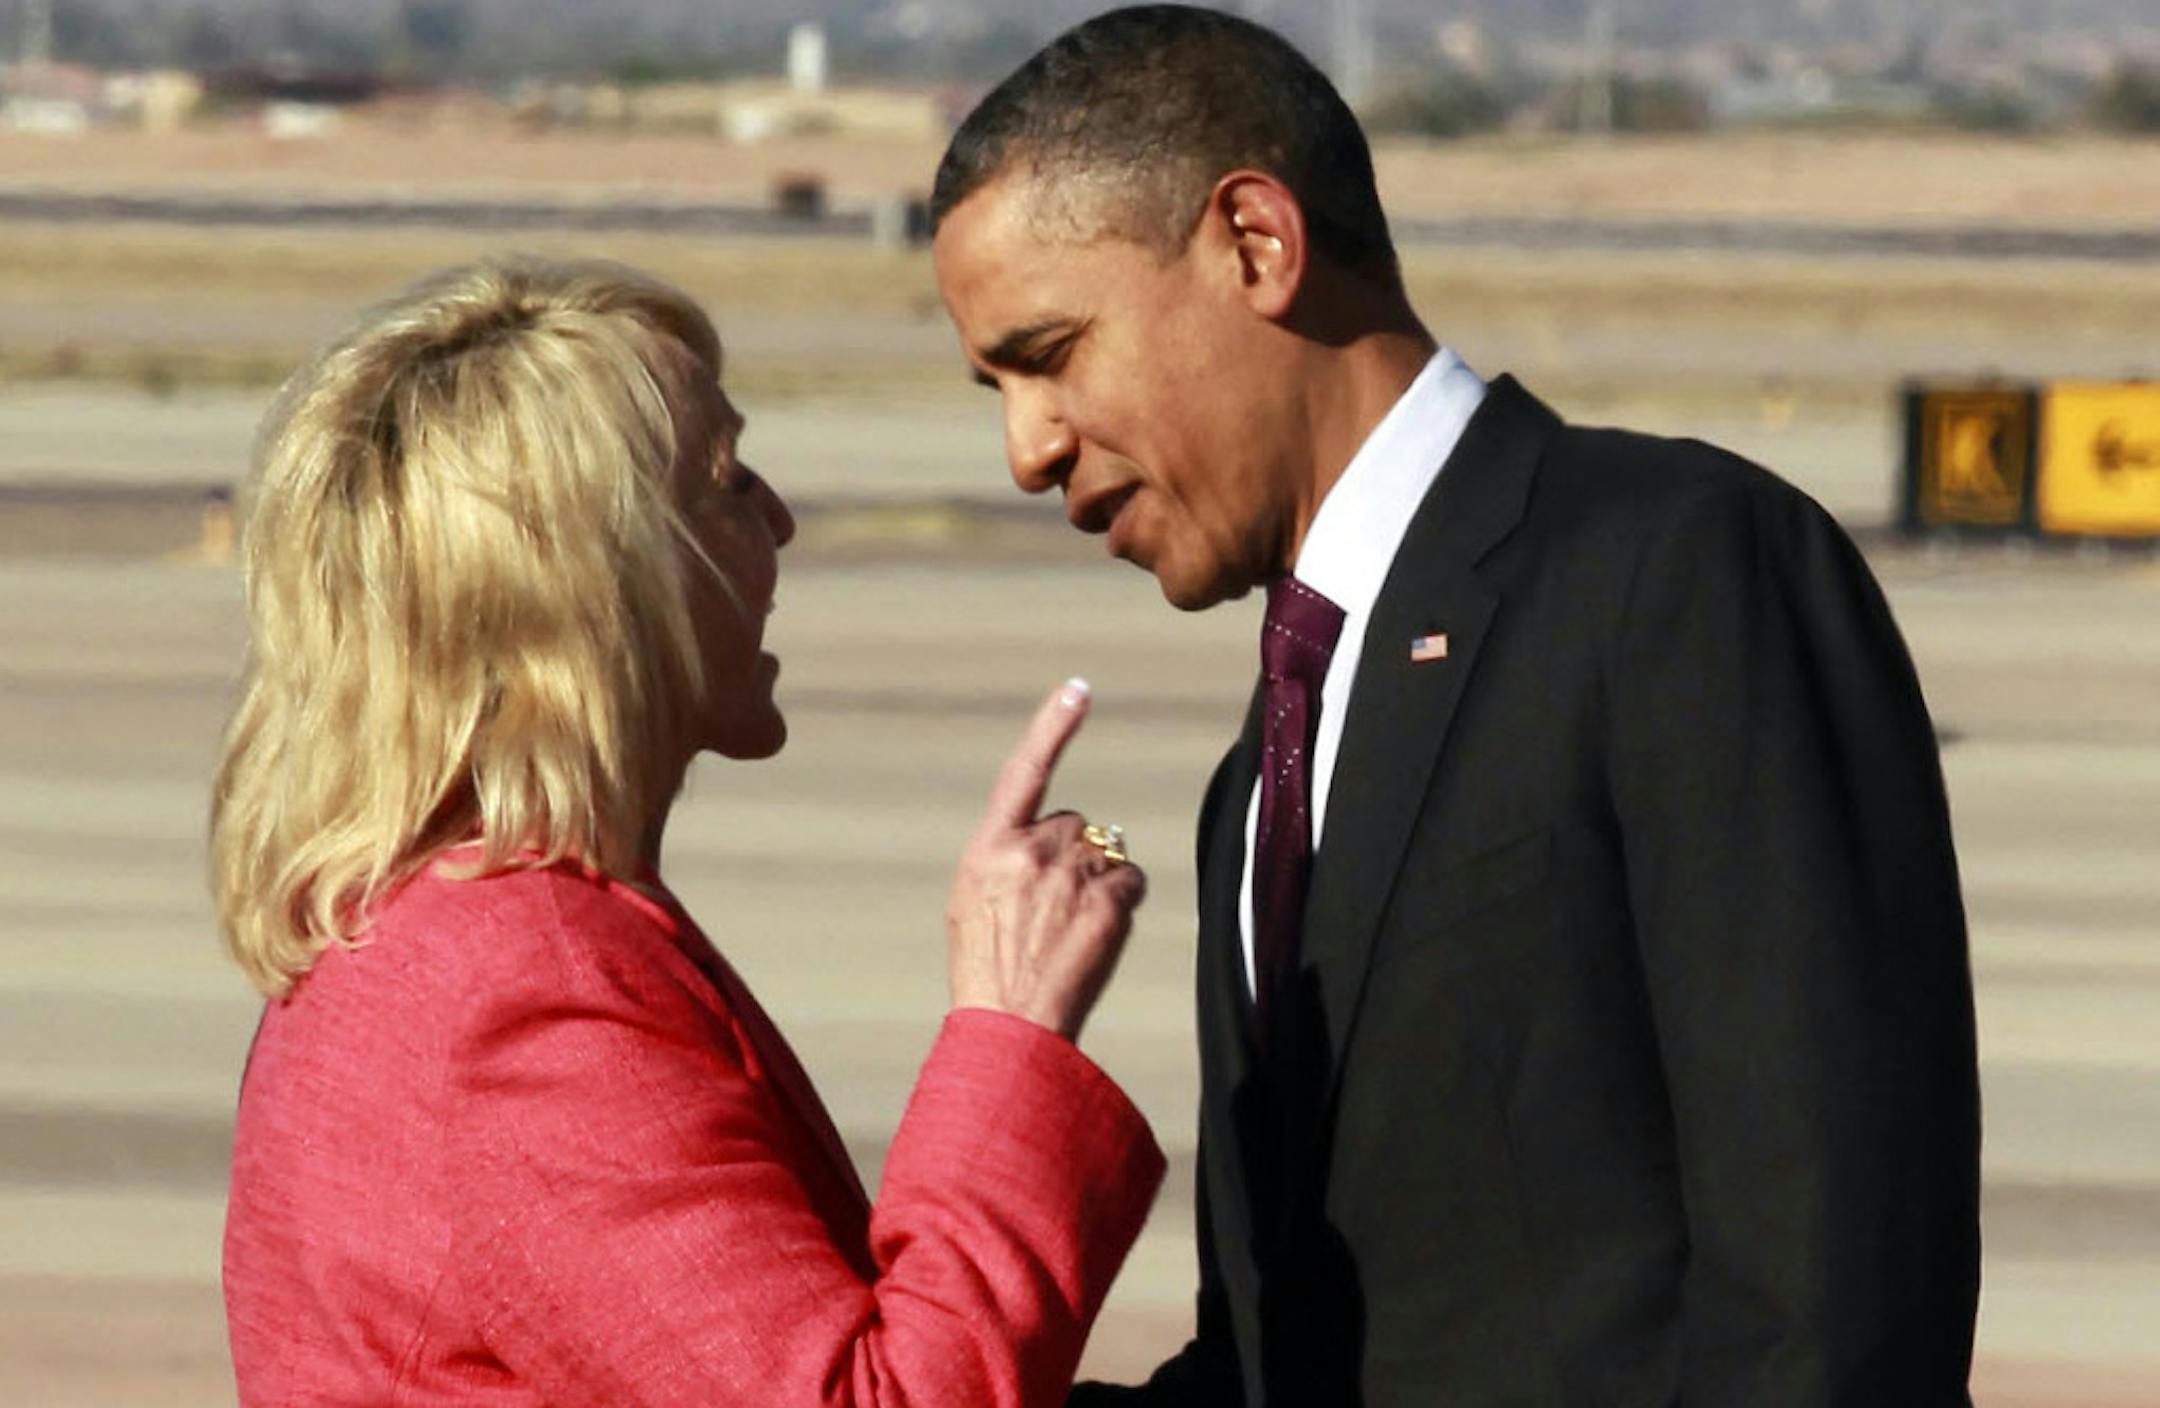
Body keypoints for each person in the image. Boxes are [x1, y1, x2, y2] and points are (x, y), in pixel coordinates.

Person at [929, 6, 1980, 1404]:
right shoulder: (1258, 782)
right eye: (993, 388)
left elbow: (1836, 1301)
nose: (1025, 449)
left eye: (1050, 352)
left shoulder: (1675, 572)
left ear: (1257, 242)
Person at [213, 257, 1166, 1406]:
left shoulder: (423, 921)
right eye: (728, 482)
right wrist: (1012, 1026)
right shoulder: (522, 997)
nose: (779, 520)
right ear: (600, 578)